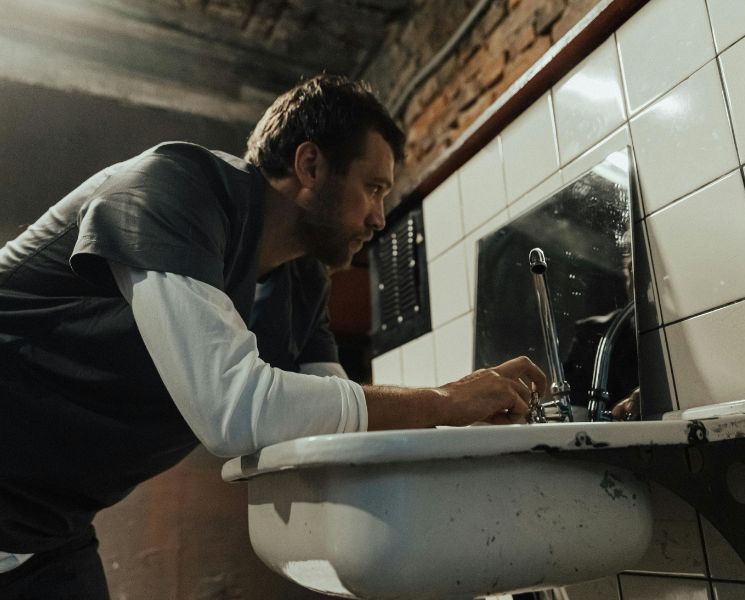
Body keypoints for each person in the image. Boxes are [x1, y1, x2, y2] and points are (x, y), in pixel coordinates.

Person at [0, 74, 545, 598]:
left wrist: (483, 430)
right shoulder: (171, 189)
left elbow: (341, 438)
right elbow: (234, 410)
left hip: (47, 534)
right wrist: (445, 399)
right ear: (310, 164)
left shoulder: (301, 280)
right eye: (373, 188)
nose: (380, 217)